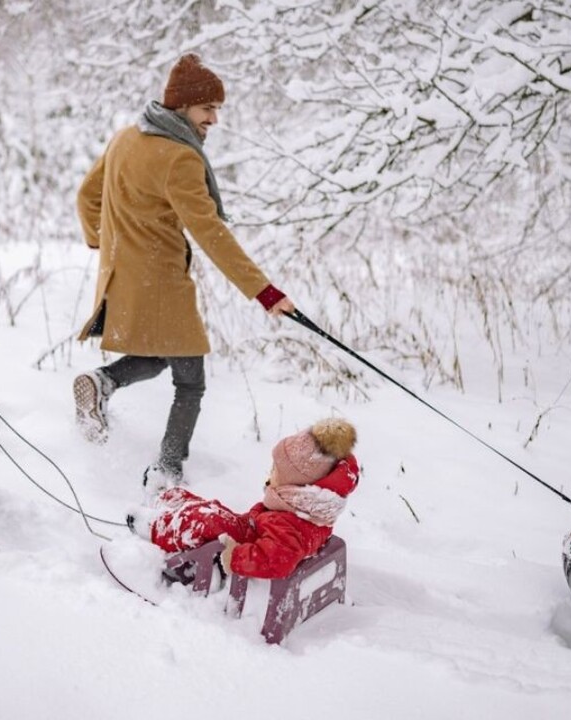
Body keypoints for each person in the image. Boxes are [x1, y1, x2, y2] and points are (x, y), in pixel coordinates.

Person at [72, 53, 296, 489]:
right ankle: (167, 472)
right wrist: (264, 292)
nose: (214, 118)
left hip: (124, 275)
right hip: (163, 282)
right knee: (189, 381)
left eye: (217, 109)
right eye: (207, 108)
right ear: (182, 106)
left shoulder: (125, 138)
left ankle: (102, 383)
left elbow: (86, 197)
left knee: (158, 357)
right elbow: (210, 233)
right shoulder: (181, 159)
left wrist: (103, 244)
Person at [129, 418, 359, 581]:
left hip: (244, 542)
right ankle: (164, 498)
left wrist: (235, 556)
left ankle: (153, 528)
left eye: (276, 470)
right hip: (251, 530)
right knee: (210, 509)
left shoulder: (289, 523)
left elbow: (278, 560)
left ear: (297, 485)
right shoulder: (307, 510)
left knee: (204, 520)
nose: (271, 474)